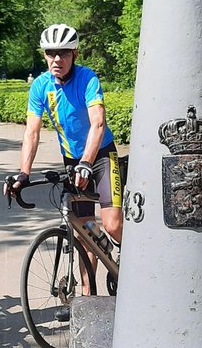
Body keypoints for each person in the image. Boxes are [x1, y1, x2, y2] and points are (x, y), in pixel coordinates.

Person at [7, 24, 123, 316]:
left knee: (112, 225)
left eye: (64, 53)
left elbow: (98, 123)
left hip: (100, 156)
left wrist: (87, 162)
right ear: (44, 55)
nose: (57, 59)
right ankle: (87, 301)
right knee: (83, 230)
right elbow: (32, 132)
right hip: (72, 160)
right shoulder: (40, 86)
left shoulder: (87, 78)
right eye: (51, 53)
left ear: (74, 54)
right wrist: (23, 173)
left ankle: (135, 265)